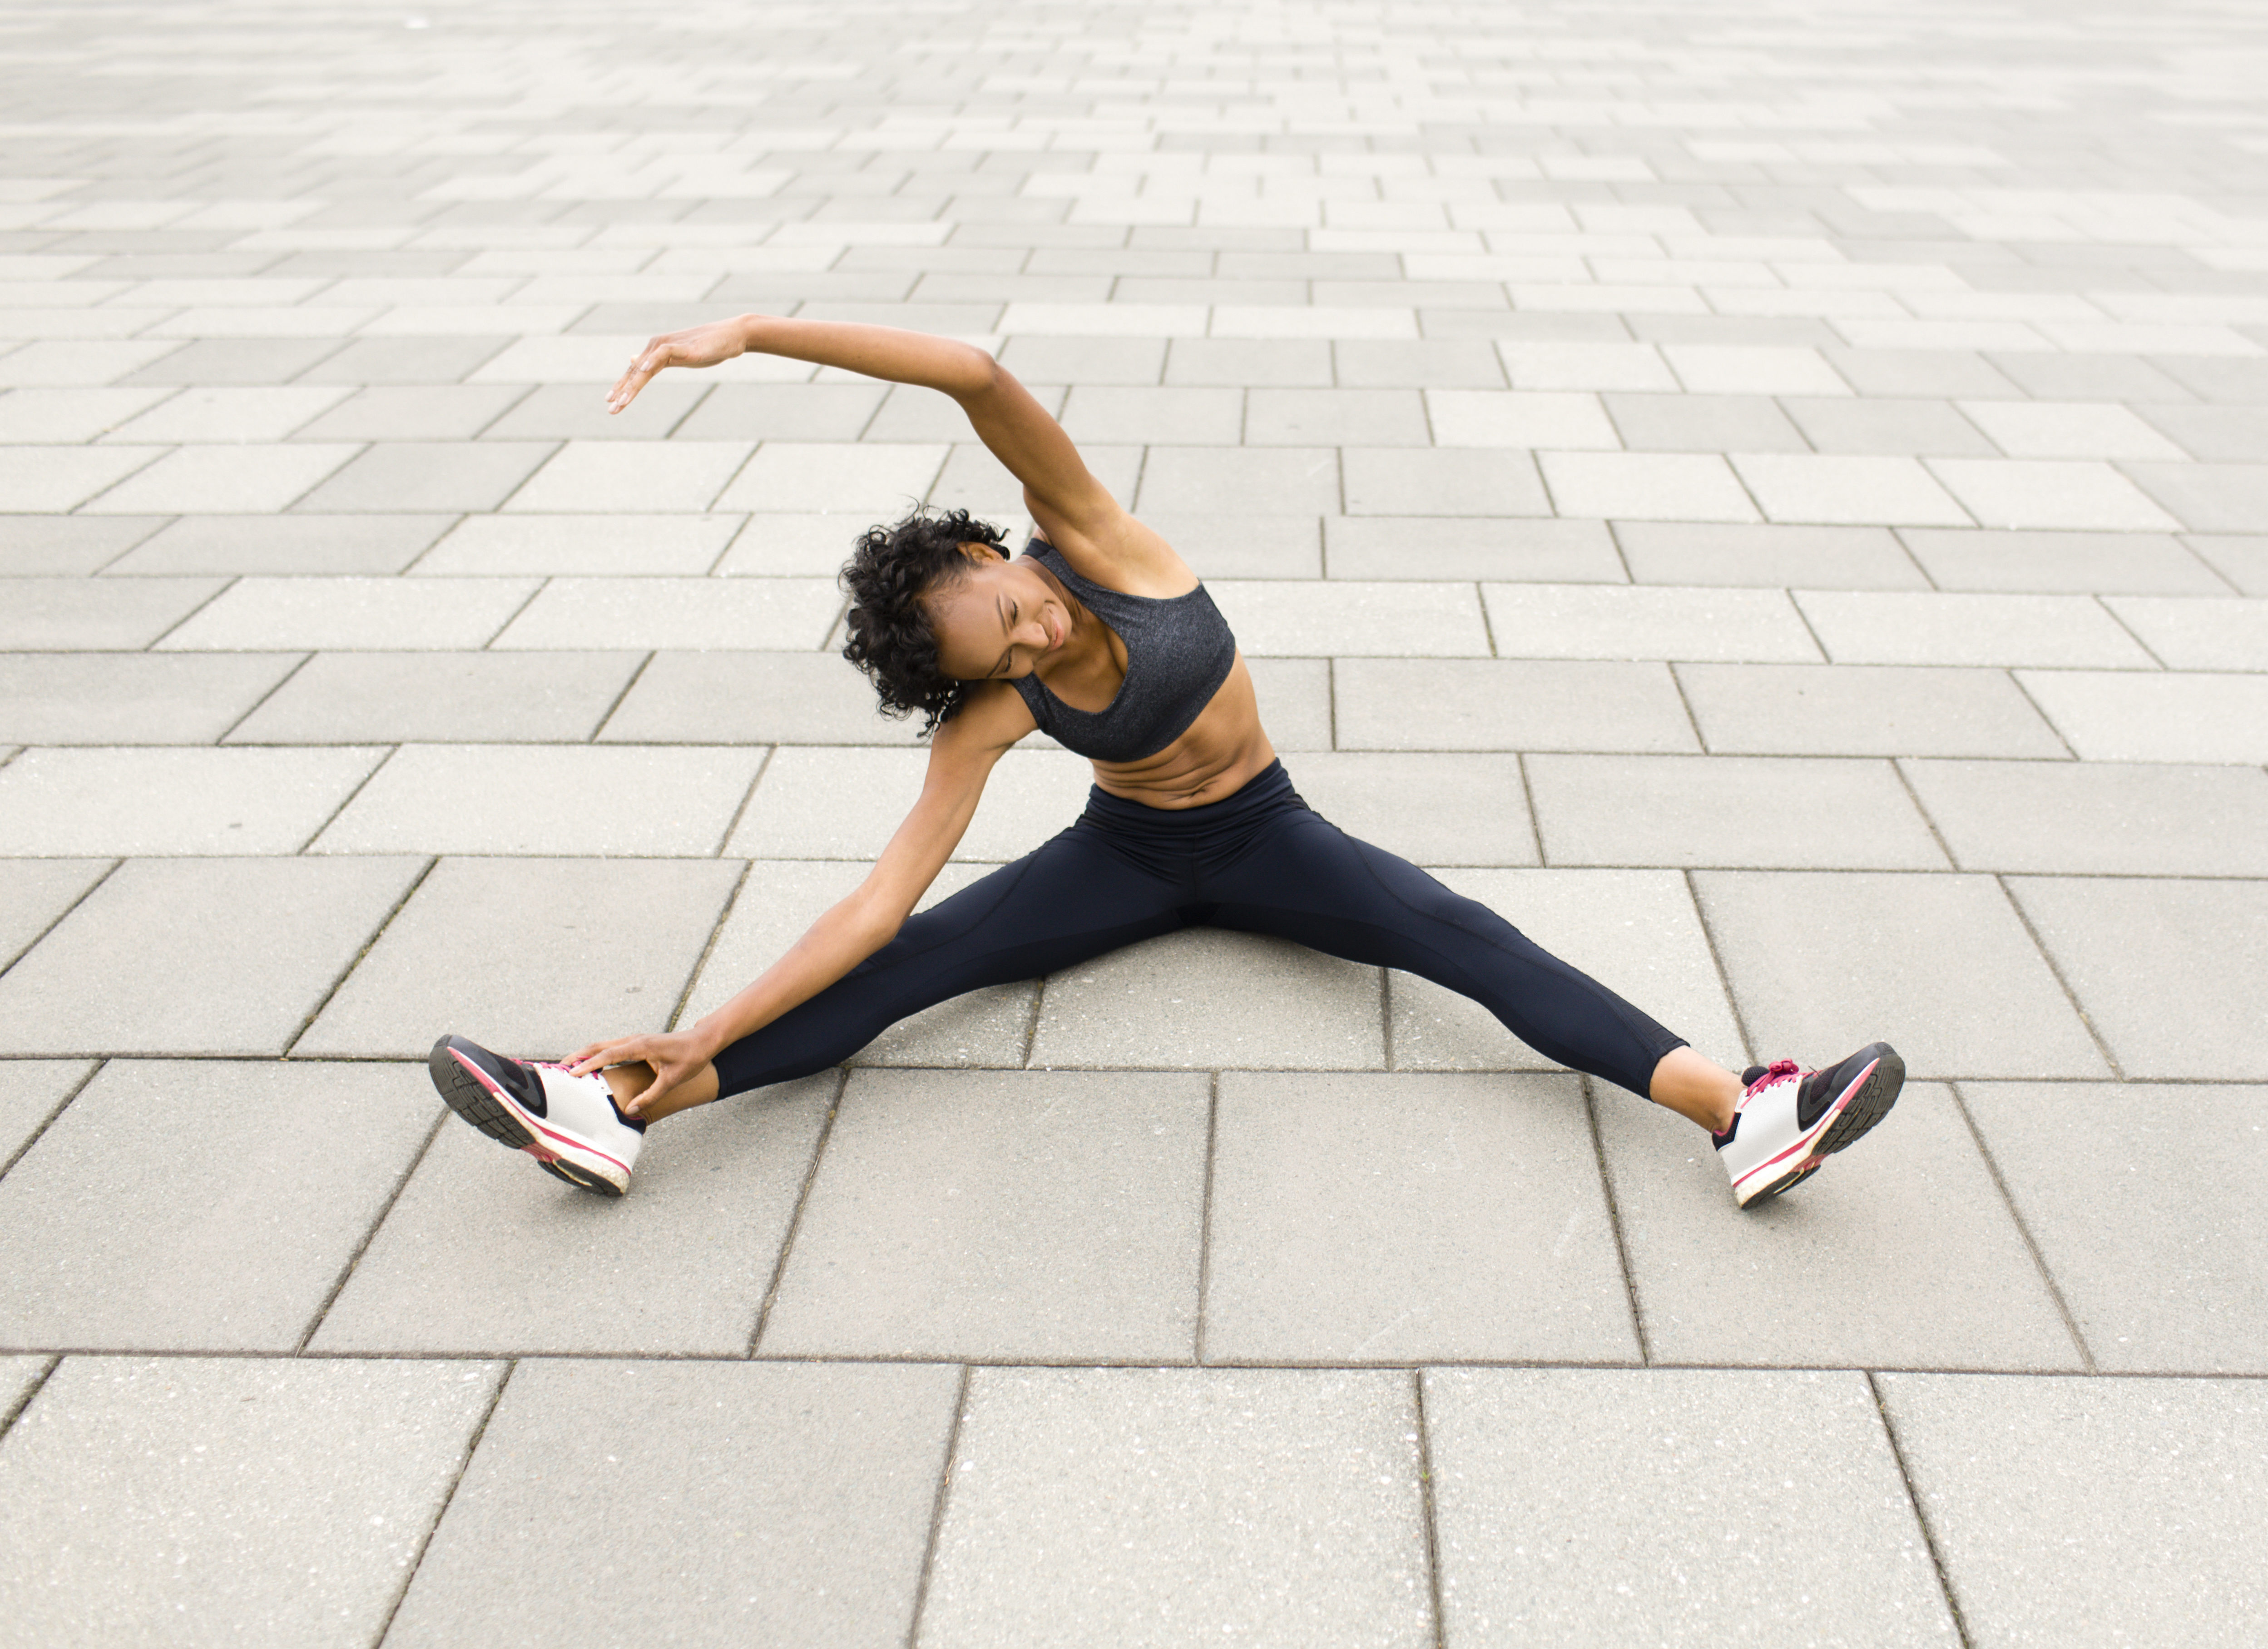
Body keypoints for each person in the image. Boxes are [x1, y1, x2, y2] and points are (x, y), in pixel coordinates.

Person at [427, 316, 1903, 1207]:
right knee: (910, 974)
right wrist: (704, 1024)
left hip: (1270, 835)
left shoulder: (1096, 540)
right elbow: (877, 906)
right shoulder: (989, 710)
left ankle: (1742, 1114)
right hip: (1125, 859)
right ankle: (614, 1112)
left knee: (1465, 939)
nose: (1032, 641)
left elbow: (973, 371)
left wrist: (745, 336)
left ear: (986, 548)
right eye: (1003, 660)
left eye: (1012, 612)